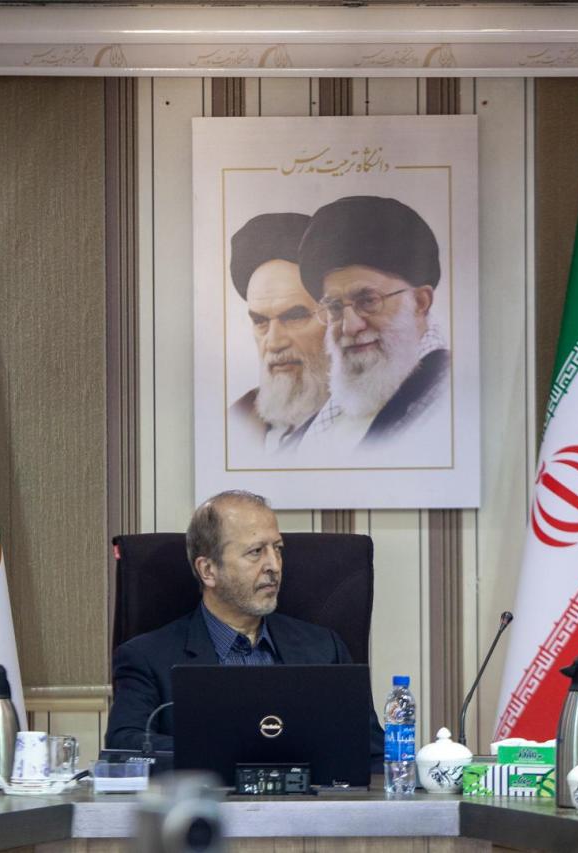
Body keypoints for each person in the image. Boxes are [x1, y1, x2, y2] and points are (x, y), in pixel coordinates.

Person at [105, 490, 383, 764]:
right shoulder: (147, 658)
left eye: (278, 549)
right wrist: (233, 748)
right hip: (204, 794)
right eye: (255, 552)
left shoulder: (324, 648)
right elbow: (124, 746)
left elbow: (370, 749)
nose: (274, 566)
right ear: (208, 571)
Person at [295, 195, 450, 453]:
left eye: (368, 301)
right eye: (335, 308)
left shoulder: (446, 399)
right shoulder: (312, 429)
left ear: (420, 302)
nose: (349, 327)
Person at [227, 212, 329, 456]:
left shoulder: (382, 423)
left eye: (294, 317)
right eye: (260, 321)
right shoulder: (236, 419)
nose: (274, 342)